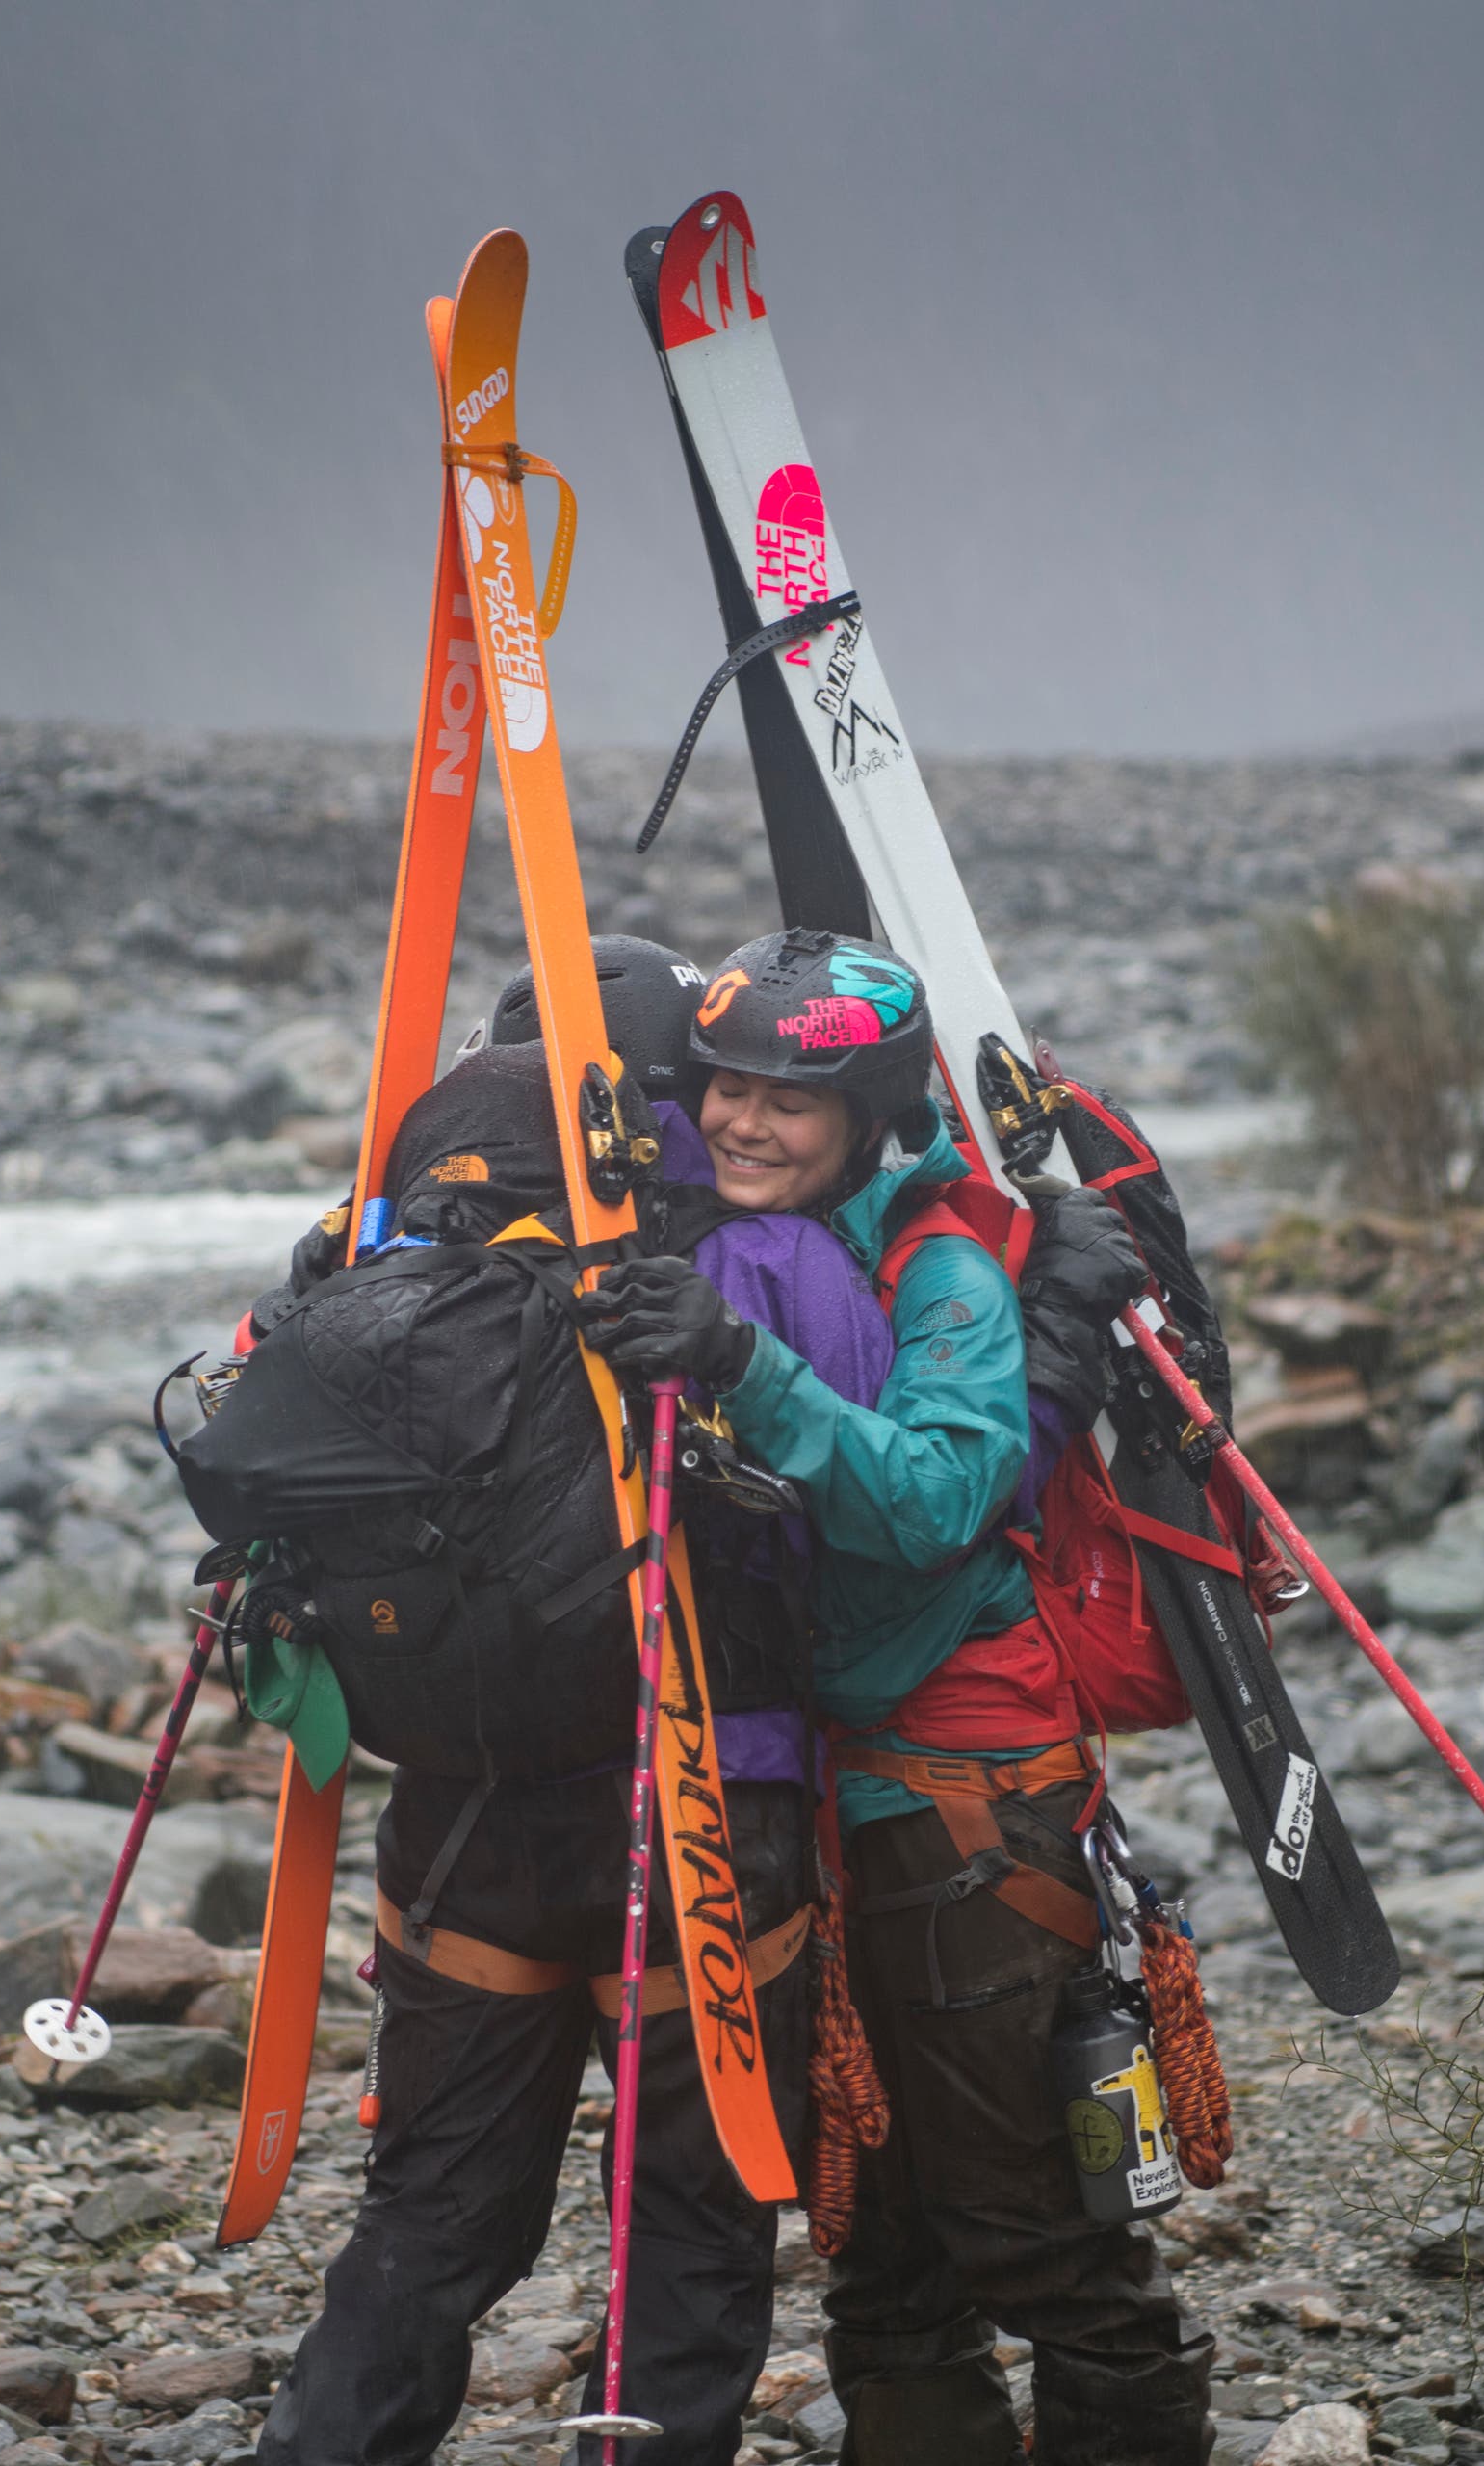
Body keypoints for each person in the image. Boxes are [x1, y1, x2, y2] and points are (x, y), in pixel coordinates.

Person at [256, 949, 895, 2466]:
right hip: (698, 1815)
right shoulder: (757, 1262)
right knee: (682, 2227)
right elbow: (862, 1534)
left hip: (463, 1811)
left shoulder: (381, 1251)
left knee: (427, 2224)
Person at [582, 929, 1207, 2466]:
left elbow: (938, 1497)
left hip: (968, 1810)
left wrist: (744, 1364)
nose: (742, 1120)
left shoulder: (940, 1268)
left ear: (873, 1116)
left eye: (790, 1100)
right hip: (820, 1804)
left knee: (1031, 2230)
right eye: (725, 1085)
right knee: (878, 2237)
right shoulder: (729, 1235)